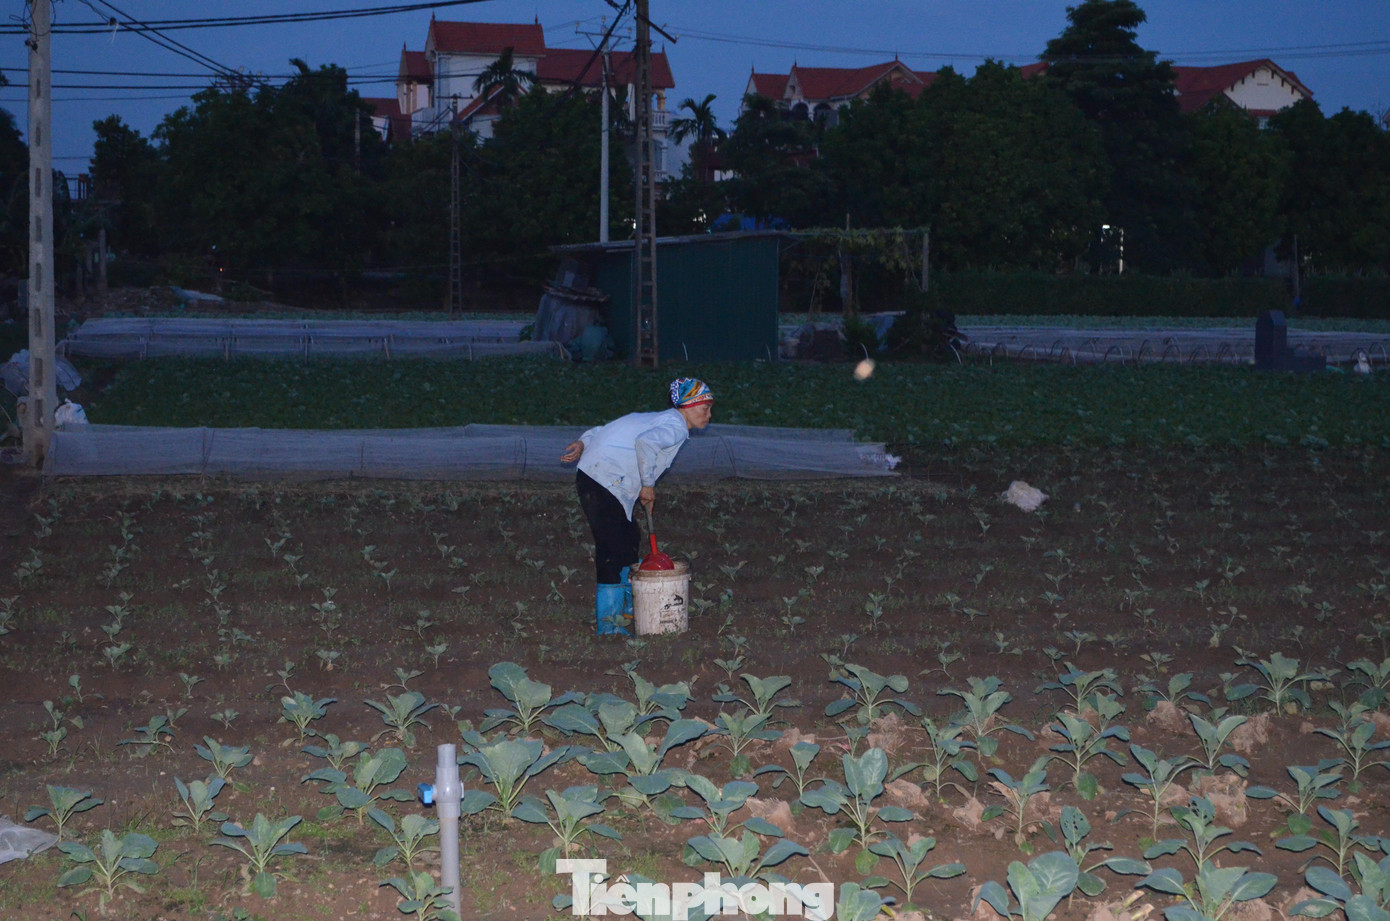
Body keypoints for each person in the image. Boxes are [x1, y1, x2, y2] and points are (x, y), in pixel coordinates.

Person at [560, 378, 714, 635]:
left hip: (601, 477)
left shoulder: (656, 418)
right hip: (602, 479)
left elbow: (605, 430)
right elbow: (645, 443)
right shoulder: (675, 426)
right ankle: (609, 626)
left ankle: (632, 605)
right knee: (611, 548)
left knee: (630, 537)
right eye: (704, 408)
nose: (708, 415)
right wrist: (647, 486)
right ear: (686, 407)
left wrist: (584, 442)